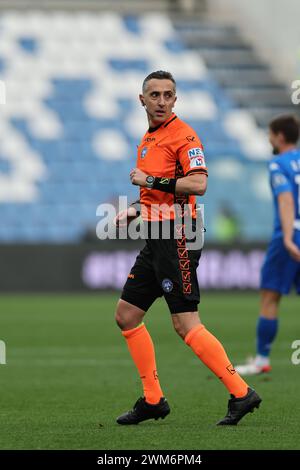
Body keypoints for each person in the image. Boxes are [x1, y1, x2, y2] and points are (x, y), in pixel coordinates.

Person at [114, 70, 261, 425]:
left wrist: (149, 180)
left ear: (175, 100)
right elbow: (161, 191)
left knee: (185, 323)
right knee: (127, 315)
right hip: (156, 234)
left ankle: (242, 393)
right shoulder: (149, 138)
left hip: (178, 235)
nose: (161, 101)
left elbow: (198, 183)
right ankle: (153, 400)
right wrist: (136, 209)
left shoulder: (184, 136)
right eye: (155, 95)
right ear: (142, 100)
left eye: (168, 95)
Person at [236, 115, 300, 376]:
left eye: (271, 135)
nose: (269, 139)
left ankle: (262, 358)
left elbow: (285, 199)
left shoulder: (278, 164)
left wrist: (287, 237)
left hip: (290, 234)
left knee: (270, 297)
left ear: (280, 137)